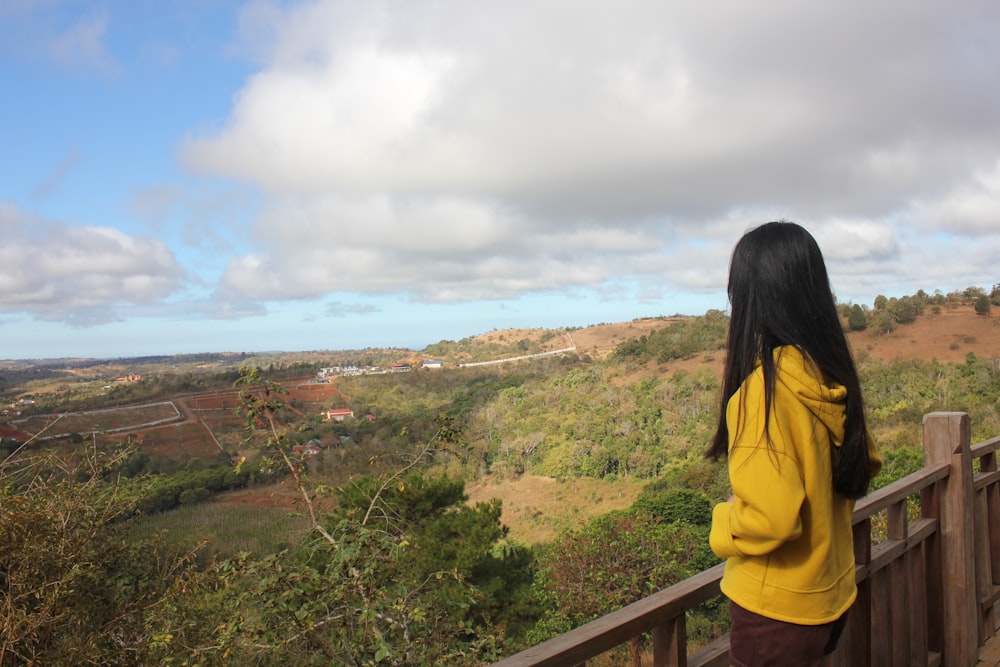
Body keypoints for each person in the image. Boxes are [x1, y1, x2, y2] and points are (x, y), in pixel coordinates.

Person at [707, 221, 882, 667]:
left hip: (774, 611)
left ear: (751, 299)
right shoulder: (828, 372)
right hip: (829, 597)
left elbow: (772, 521)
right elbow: (867, 461)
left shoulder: (762, 394)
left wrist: (724, 520)